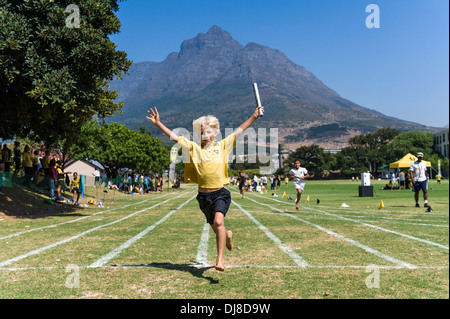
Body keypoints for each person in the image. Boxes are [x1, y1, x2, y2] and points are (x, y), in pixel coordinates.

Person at [146, 104, 264, 271]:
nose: (205, 135)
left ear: (214, 133)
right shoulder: (193, 147)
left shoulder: (223, 145)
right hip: (203, 197)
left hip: (220, 193)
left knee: (218, 221)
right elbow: (174, 137)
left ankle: (220, 260)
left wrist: (254, 116)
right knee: (217, 228)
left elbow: (240, 130)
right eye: (201, 132)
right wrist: (158, 124)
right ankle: (228, 236)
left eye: (208, 131)